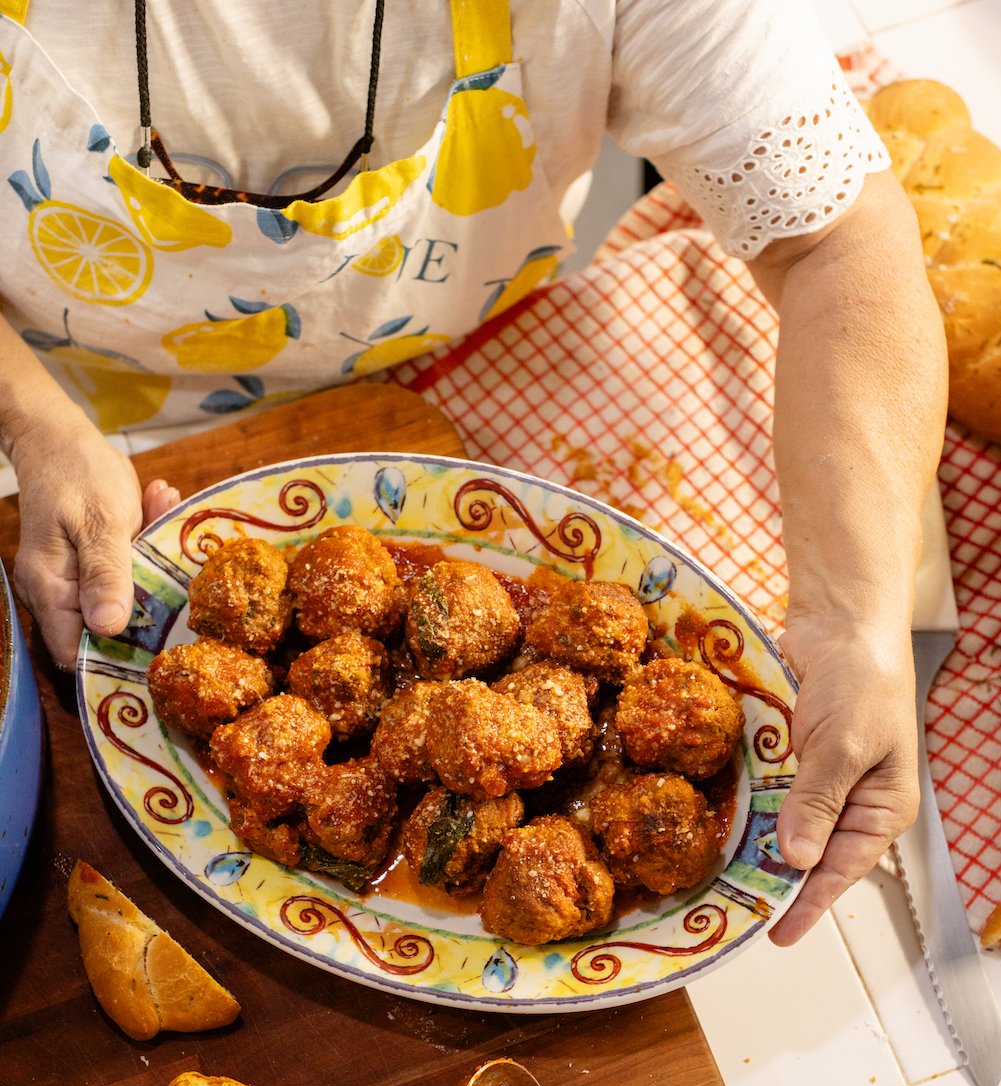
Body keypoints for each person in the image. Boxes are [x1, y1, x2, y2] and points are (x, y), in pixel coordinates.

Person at [0, 0, 948, 947]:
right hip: (79, 419)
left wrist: (854, 619)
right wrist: (37, 425)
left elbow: (836, 242)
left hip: (483, 402)